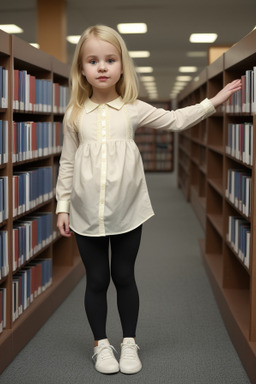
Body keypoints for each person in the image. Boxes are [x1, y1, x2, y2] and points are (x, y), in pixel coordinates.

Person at [55, 25, 241, 375]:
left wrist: (211, 103)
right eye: (93, 61)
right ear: (82, 69)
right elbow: (67, 163)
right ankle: (100, 345)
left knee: (124, 275)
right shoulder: (75, 115)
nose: (102, 67)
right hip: (84, 212)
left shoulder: (132, 108)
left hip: (128, 210)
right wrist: (62, 206)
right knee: (96, 280)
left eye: (110, 59)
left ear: (122, 65)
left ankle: (128, 342)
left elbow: (174, 120)